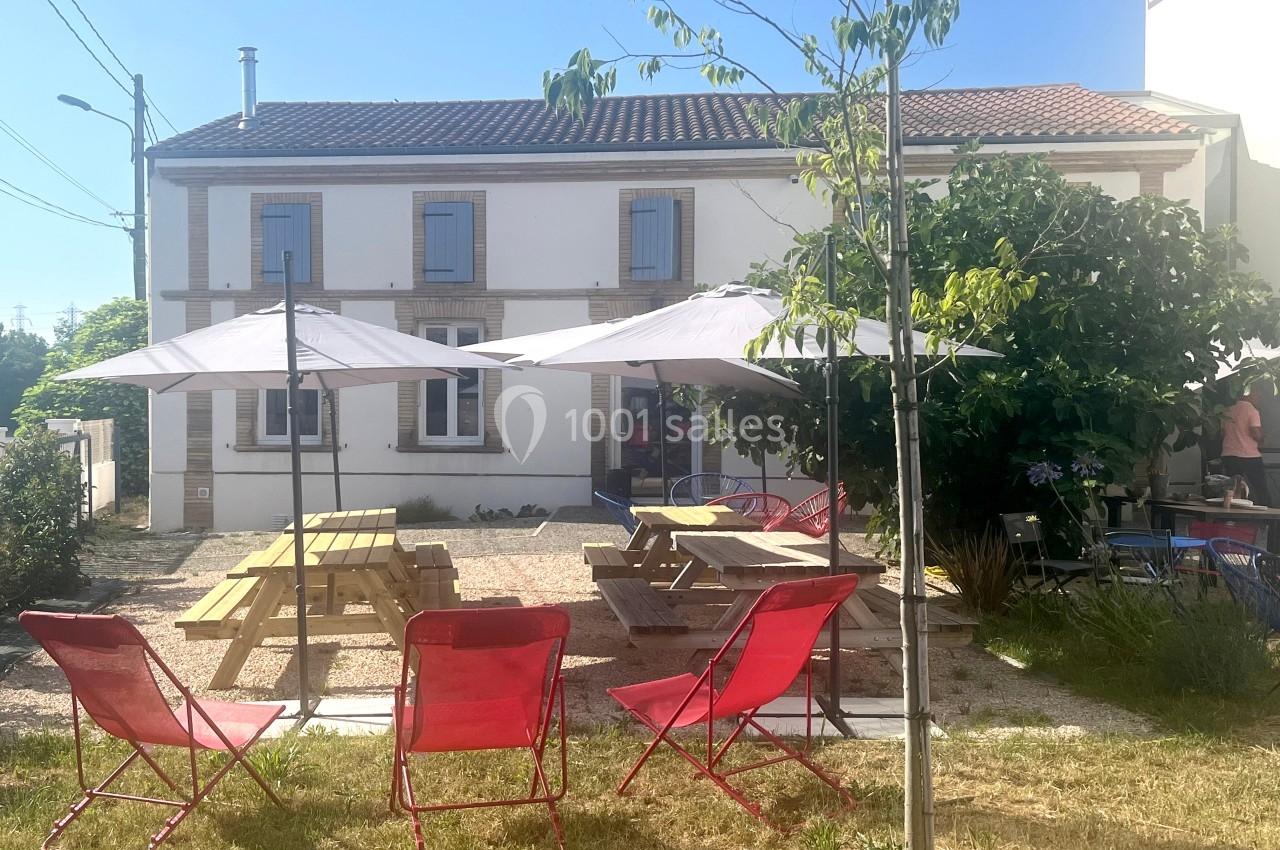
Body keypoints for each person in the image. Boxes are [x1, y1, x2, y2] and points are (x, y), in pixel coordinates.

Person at [1220, 391, 1271, 505]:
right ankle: (1269, 514)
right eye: (1257, 394)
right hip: (1249, 455)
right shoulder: (1252, 410)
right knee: (1260, 488)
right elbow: (1254, 431)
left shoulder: (1227, 410)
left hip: (1229, 454)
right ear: (1248, 394)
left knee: (1233, 489)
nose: (1258, 397)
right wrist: (1263, 439)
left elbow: (1222, 433)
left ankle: (1231, 513)